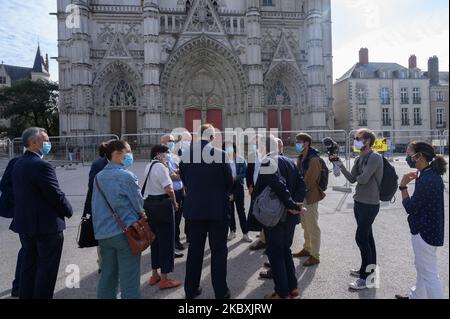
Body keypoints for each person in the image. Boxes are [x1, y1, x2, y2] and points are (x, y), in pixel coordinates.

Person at [11, 127, 73, 299]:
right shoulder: (42, 165)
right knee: (46, 271)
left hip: (25, 225)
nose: (48, 143)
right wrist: (69, 211)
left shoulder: (18, 163)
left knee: (29, 267)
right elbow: (55, 195)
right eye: (45, 140)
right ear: (33, 143)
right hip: (46, 227)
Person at [180, 124, 233, 299]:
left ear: (198, 136)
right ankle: (220, 292)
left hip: (194, 210)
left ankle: (191, 290)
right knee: (218, 251)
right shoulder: (221, 155)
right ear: (212, 137)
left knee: (195, 251)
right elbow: (229, 183)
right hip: (217, 209)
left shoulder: (186, 156)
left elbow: (185, 180)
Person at [253, 136, 306, 299]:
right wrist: (294, 205)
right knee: (285, 250)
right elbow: (302, 185)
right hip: (289, 216)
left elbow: (278, 185)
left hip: (275, 216)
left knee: (275, 253)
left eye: (258, 146)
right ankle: (293, 287)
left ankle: (281, 293)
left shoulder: (268, 162)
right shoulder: (289, 161)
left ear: (263, 147)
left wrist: (292, 206)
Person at [332, 128, 383, 290]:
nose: (355, 141)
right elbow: (353, 179)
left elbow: (363, 178)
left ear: (367, 141)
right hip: (359, 202)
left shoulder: (375, 157)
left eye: (358, 138)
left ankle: (365, 279)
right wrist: (340, 165)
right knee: (368, 238)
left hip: (370, 204)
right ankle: (367, 271)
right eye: (355, 138)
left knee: (361, 238)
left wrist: (360, 176)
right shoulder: (360, 157)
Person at [92, 140, 144, 299]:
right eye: (128, 151)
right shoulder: (126, 176)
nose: (130, 155)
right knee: (129, 278)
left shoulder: (98, 177)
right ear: (116, 154)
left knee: (107, 276)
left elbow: (95, 204)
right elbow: (138, 204)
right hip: (125, 233)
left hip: (103, 233)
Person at [395, 142, 447, 299]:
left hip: (425, 232)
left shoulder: (428, 178)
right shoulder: (427, 174)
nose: (408, 158)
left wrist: (403, 187)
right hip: (428, 230)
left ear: (420, 156)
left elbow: (410, 207)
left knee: (429, 274)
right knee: (422, 268)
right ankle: (417, 296)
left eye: (410, 154)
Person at [144, 144, 182, 290]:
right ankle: (165, 278)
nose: (168, 156)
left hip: (151, 204)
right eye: (166, 153)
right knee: (166, 242)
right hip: (163, 204)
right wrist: (174, 202)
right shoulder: (161, 167)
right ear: (159, 154)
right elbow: (169, 188)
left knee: (155, 241)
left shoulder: (149, 166)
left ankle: (155, 274)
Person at [293, 133, 325, 267]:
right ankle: (307, 248)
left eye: (299, 142)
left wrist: (298, 191)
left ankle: (315, 255)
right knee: (305, 225)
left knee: (312, 226)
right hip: (302, 196)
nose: (297, 144)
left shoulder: (313, 159)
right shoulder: (301, 157)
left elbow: (309, 181)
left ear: (306, 143)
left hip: (310, 197)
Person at [82, 142, 109, 273]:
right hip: (101, 205)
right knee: (102, 236)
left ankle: (106, 263)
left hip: (107, 205)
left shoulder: (110, 163)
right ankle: (103, 264)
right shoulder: (99, 164)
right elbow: (92, 185)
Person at [0, 156, 22, 297]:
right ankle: (19, 286)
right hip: (24, 214)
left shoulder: (43, 162)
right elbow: (4, 184)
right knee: (27, 250)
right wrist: (18, 202)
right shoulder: (16, 162)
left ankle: (21, 285)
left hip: (35, 216)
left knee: (28, 250)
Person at [161, 133, 186, 254]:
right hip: (171, 193)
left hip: (180, 191)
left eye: (172, 140)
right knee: (172, 219)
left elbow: (178, 169)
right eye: (169, 141)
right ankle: (171, 245)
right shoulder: (162, 157)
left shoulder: (173, 155)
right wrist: (184, 175)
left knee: (178, 218)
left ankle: (176, 240)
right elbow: (171, 175)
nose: (172, 142)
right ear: (163, 143)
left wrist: (181, 173)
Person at [223, 142, 251, 243]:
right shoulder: (224, 160)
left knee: (241, 210)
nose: (229, 150)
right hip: (228, 187)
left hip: (238, 186)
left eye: (230, 148)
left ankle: (245, 233)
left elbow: (244, 173)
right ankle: (232, 231)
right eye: (226, 148)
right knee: (230, 210)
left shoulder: (240, 160)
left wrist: (236, 177)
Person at [246, 135, 266, 251]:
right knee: (256, 210)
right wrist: (250, 186)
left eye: (257, 142)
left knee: (265, 210)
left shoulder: (268, 154)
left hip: (265, 188)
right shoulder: (252, 155)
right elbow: (249, 171)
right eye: (254, 143)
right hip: (255, 187)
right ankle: (262, 232)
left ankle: (264, 235)